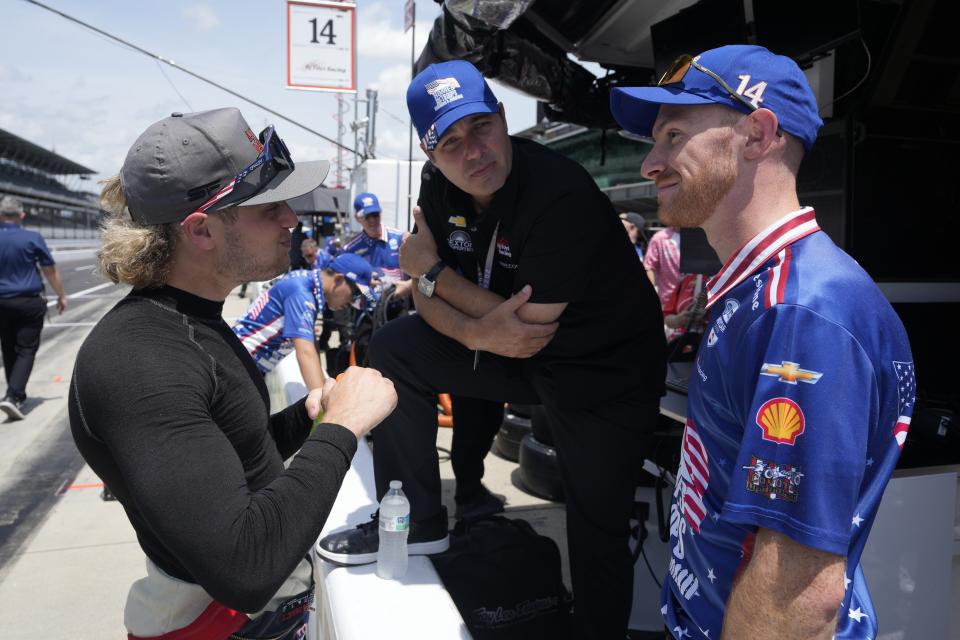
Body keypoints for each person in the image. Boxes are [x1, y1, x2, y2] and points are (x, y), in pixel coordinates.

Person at [318, 60, 666, 639]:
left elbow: (527, 326)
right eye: (450, 142)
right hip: (513, 350)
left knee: (593, 528)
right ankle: (417, 521)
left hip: (603, 370)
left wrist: (427, 269)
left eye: (480, 127)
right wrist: (473, 331)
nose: (473, 152)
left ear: (504, 120)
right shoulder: (437, 188)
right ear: (431, 156)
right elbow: (440, 306)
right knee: (395, 344)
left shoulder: (560, 191)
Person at [610, 45, 914, 639]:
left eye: (673, 134)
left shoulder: (804, 310)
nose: (650, 163)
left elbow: (797, 593)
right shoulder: (761, 290)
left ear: (758, 133)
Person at [68, 108, 397, 639]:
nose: (292, 220)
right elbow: (244, 568)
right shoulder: (139, 359)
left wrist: (312, 417)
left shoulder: (192, 320)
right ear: (201, 231)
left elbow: (234, 454)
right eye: (269, 207)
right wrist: (344, 428)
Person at [232, 253, 373, 390]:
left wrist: (323, 383)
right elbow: (305, 352)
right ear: (338, 280)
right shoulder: (303, 293)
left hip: (241, 362)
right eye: (355, 294)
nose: (352, 302)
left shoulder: (307, 282)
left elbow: (311, 344)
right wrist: (321, 408)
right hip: (237, 366)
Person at [0, 195, 67, 420]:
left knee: (8, 348)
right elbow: (49, 269)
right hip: (28, 301)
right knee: (26, 349)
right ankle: (13, 395)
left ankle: (15, 395)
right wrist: (61, 295)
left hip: (1, 302)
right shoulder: (32, 237)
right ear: (21, 215)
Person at [343, 192, 413, 298]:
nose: (372, 220)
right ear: (357, 218)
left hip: (401, 305)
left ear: (381, 214)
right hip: (369, 308)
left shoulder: (401, 238)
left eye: (375, 215)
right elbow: (347, 283)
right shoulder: (351, 249)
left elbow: (424, 274)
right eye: (367, 216)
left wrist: (408, 286)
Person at [644, 224, 682, 309]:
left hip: (692, 300)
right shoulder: (659, 238)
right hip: (667, 300)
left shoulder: (700, 236)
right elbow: (649, 266)